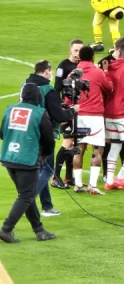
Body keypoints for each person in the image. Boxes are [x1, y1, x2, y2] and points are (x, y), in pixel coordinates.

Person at [0, 84, 57, 243]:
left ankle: (39, 230)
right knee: (26, 196)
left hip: (9, 157)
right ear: (38, 97)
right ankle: (6, 229)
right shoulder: (39, 113)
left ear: (23, 95)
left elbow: (2, 133)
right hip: (27, 159)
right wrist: (45, 154)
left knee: (27, 195)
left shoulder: (10, 109)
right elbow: (49, 139)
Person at [24, 61, 76, 217]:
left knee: (40, 170)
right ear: (47, 71)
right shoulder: (48, 89)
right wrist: (72, 111)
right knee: (47, 170)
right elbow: (60, 116)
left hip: (28, 133)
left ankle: (46, 206)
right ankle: (27, 201)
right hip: (44, 134)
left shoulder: (25, 86)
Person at [73, 46, 113, 194]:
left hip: (78, 115)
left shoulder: (73, 74)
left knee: (79, 149)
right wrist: (106, 72)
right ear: (93, 58)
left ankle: (77, 184)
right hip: (94, 116)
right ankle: (92, 185)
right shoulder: (98, 72)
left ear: (79, 57)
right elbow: (109, 89)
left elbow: (67, 95)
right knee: (98, 149)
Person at [103, 45, 124, 191]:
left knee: (115, 145)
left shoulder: (109, 67)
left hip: (109, 113)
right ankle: (122, 176)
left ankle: (109, 180)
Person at [53, 39, 84, 188]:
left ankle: (69, 177)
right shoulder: (63, 66)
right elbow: (57, 89)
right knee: (68, 142)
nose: (78, 53)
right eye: (76, 50)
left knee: (74, 143)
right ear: (70, 51)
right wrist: (61, 109)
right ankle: (55, 177)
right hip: (67, 110)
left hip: (79, 109)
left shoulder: (83, 65)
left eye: (80, 50)